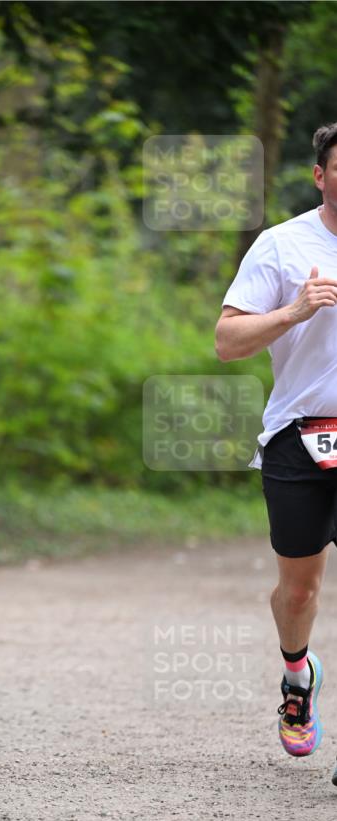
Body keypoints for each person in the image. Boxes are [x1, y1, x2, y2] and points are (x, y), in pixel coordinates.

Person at [215, 123, 337, 784]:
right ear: (320, 175)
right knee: (299, 590)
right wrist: (293, 312)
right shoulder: (282, 245)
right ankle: (297, 675)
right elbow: (226, 341)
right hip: (300, 435)